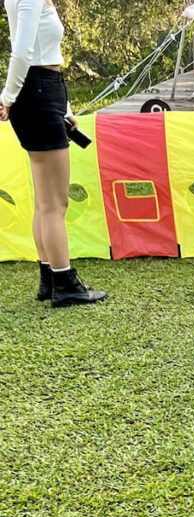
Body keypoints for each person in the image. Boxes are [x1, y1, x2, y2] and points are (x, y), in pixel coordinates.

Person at [0, 0, 107, 307]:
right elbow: (21, 54)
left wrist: (66, 109)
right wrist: (8, 97)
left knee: (44, 202)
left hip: (45, 91)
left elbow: (42, 53)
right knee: (55, 204)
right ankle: (67, 285)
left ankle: (50, 279)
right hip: (37, 93)